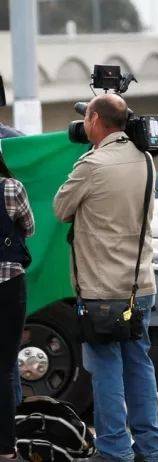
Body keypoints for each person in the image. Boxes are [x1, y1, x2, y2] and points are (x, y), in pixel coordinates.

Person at [53, 93, 158, 462]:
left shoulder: (92, 165)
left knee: (105, 373)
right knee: (139, 367)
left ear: (96, 121)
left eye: (87, 117)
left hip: (102, 292)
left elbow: (60, 208)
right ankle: (150, 449)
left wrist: (83, 161)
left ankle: (114, 449)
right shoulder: (146, 159)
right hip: (140, 287)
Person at [0, 152, 34, 462]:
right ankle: (7, 448)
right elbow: (30, 227)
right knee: (7, 365)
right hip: (8, 282)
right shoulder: (11, 187)